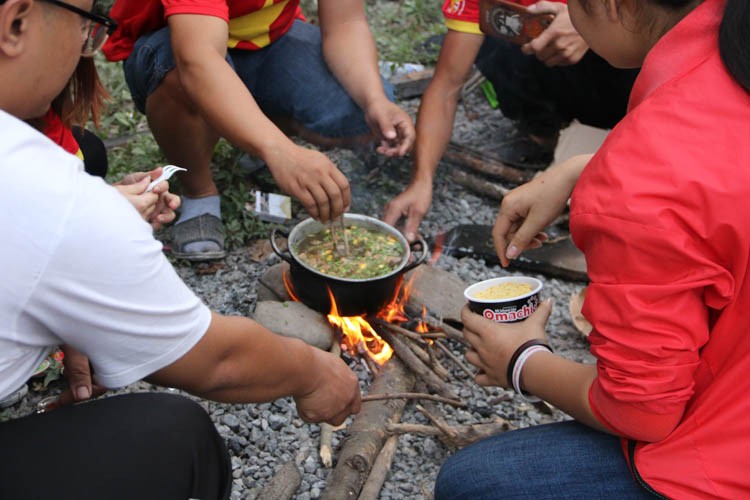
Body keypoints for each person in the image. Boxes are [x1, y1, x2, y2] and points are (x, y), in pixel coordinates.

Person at [0, 1, 361, 499]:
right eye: (86, 23)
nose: (87, 46)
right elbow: (214, 361)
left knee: (92, 152)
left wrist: (94, 219)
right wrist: (316, 373)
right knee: (178, 437)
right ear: (16, 22)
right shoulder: (51, 196)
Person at [435, 0, 750, 498]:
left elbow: (644, 413)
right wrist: (583, 167)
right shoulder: (732, 43)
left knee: (472, 483)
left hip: (730, 461)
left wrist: (520, 360)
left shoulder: (644, 177)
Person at [102, 0, 416, 261]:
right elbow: (197, 60)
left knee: (361, 115)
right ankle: (199, 193)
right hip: (175, 42)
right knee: (179, 76)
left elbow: (345, 23)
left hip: (269, 39)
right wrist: (280, 151)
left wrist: (374, 99)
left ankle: (254, 131)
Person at [383, 0, 638, 242]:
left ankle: (634, 138)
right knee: (494, 30)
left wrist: (589, 26)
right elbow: (446, 86)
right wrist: (421, 181)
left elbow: (668, 21)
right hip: (560, 76)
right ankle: (546, 131)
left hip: (628, 71)